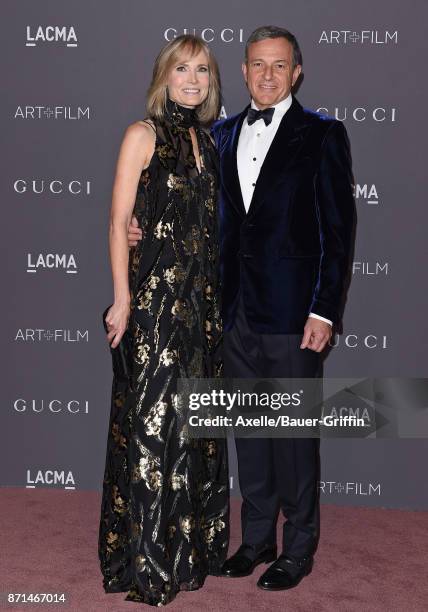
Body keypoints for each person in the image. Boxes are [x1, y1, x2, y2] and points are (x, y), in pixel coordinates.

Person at [128, 25, 355, 593]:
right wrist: (138, 228)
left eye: (279, 65)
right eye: (258, 65)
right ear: (246, 70)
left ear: (296, 72)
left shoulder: (323, 135)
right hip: (232, 313)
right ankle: (256, 538)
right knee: (250, 433)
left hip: (293, 314)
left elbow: (339, 231)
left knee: (293, 436)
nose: (268, 75)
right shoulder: (220, 135)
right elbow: (186, 210)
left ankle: (298, 548)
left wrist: (324, 312)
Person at [98, 35, 229, 607]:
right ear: (164, 76)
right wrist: (122, 299)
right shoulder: (141, 135)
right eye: (182, 69)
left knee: (193, 429)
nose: (193, 79)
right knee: (153, 431)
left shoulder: (208, 141)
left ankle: (187, 554)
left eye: (202, 69)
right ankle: (147, 562)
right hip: (154, 308)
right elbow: (117, 221)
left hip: (201, 310)